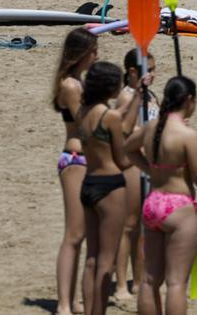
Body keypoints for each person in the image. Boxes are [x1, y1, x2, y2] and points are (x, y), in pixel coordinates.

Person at [125, 76, 197, 315]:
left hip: (153, 203)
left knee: (150, 279)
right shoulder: (187, 135)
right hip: (178, 207)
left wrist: (150, 169)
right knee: (176, 283)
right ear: (189, 100)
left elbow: (128, 148)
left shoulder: (151, 127)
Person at [78, 62, 141, 315]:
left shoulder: (83, 111)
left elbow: (108, 125)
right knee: (107, 261)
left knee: (91, 259)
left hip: (88, 182)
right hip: (110, 185)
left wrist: (135, 98)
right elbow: (122, 159)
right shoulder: (111, 117)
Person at [50, 30, 98, 315]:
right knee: (74, 234)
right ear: (81, 53)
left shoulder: (79, 82)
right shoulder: (70, 85)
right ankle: (64, 303)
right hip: (75, 159)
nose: (97, 56)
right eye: (93, 51)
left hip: (85, 158)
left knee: (84, 235)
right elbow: (86, 121)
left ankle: (74, 299)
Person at [113, 50, 156, 304]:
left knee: (143, 226)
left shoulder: (152, 96)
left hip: (149, 165)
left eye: (154, 69)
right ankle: (121, 283)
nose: (153, 74)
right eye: (148, 70)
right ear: (132, 72)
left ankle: (139, 280)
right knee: (128, 226)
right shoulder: (125, 96)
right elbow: (125, 131)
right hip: (130, 165)